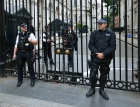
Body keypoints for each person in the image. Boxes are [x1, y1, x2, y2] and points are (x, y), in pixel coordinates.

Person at [86, 19, 116, 100]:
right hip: (95, 57)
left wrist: (103, 54)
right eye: (98, 24)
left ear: (106, 24)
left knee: (104, 74)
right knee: (92, 74)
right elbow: (90, 45)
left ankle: (101, 90)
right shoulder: (94, 33)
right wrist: (97, 54)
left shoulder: (111, 34)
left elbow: (113, 46)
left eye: (101, 24)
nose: (99, 25)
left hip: (106, 58)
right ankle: (92, 89)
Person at [13, 22, 38, 87]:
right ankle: (19, 80)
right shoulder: (19, 35)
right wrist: (14, 54)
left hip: (28, 53)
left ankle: (32, 80)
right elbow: (16, 45)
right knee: (20, 67)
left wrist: (30, 40)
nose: (25, 28)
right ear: (21, 28)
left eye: (26, 27)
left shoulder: (30, 34)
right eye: (23, 27)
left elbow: (36, 42)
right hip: (20, 53)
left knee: (30, 67)